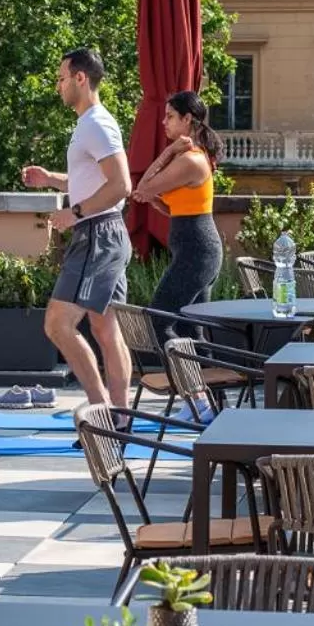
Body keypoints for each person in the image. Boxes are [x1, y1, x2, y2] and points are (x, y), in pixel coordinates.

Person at [21, 48, 136, 407]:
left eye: (61, 78)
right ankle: (119, 417)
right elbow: (92, 181)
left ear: (80, 78)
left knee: (57, 324)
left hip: (98, 235)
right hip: (107, 232)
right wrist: (50, 179)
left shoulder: (96, 124)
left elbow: (121, 185)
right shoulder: (91, 123)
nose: (58, 85)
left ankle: (100, 409)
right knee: (105, 327)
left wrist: (76, 213)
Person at [132, 90, 224, 339]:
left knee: (158, 323)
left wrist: (169, 151)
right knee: (190, 330)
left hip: (197, 253)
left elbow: (144, 186)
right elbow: (178, 210)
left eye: (170, 116)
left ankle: (179, 366)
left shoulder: (190, 160)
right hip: (199, 251)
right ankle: (200, 366)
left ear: (187, 119)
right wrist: (155, 201)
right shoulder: (192, 157)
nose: (164, 122)